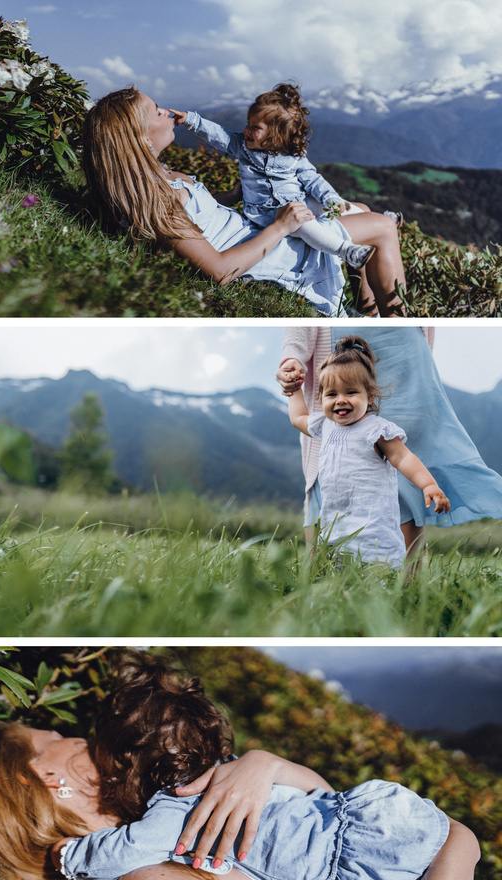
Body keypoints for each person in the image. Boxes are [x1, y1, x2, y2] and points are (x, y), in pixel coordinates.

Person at [0, 656, 491, 880]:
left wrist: (263, 766)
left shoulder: (162, 842)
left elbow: (324, 840)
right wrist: (459, 850)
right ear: (47, 777)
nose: (78, 738)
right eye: (59, 737)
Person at [82, 87, 410, 316]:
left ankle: (368, 312)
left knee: (364, 213)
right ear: (140, 135)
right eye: (156, 111)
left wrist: (232, 196)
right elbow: (221, 271)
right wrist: (281, 227)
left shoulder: (162, 179)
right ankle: (399, 327)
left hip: (253, 231)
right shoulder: (161, 200)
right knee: (381, 226)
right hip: (264, 247)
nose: (167, 112)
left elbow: (201, 216)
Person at [283, 336, 451, 566]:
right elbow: (298, 418)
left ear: (369, 395)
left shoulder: (376, 430)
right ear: (321, 398)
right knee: (338, 568)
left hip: (373, 523)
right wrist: (295, 389)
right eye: (332, 394)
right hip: (337, 519)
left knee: (374, 569)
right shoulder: (325, 425)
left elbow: (402, 457)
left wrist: (428, 484)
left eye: (350, 392)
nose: (340, 400)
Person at [178, 83, 376, 268]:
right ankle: (347, 251)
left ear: (276, 136)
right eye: (248, 123)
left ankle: (375, 221)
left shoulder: (294, 157)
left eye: (255, 128)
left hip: (299, 201)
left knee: (329, 203)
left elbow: (314, 180)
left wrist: (331, 198)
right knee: (303, 224)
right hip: (269, 215)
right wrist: (191, 120)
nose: (247, 129)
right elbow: (218, 134)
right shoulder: (242, 146)